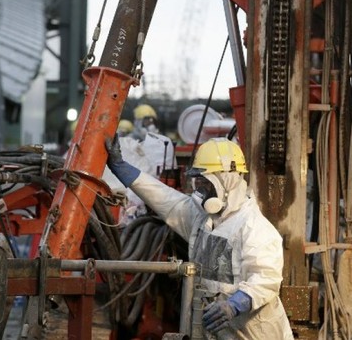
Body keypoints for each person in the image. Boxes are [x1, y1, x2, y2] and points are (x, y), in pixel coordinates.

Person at [105, 136, 293, 339]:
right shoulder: (202, 217)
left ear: (226, 180)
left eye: (206, 182)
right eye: (199, 181)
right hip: (216, 332)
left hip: (255, 333)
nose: (201, 189)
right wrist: (121, 168)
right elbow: (164, 198)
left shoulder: (254, 227)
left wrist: (234, 305)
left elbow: (266, 280)